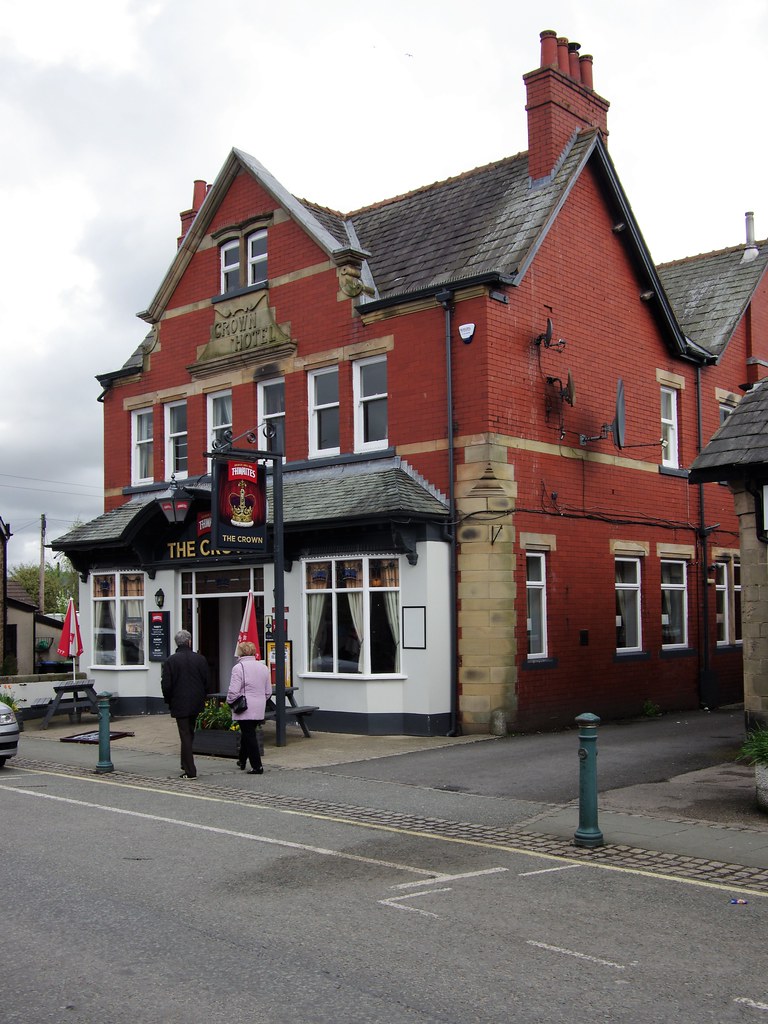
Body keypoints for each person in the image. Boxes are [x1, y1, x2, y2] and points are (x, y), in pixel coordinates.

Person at [161, 629, 212, 779]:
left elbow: (166, 685)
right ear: (189, 642)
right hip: (196, 701)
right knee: (189, 733)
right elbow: (207, 682)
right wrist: (203, 696)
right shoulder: (200, 659)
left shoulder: (171, 660)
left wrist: (169, 700)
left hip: (179, 701)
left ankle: (190, 770)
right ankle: (185, 763)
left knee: (185, 734)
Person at [227, 640, 272, 774]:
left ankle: (257, 766)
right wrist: (260, 700)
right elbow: (268, 691)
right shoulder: (263, 667)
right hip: (259, 705)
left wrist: (229, 702)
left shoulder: (238, 668)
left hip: (245, 706)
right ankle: (242, 760)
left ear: (241, 652)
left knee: (249, 735)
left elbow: (234, 691)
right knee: (248, 733)